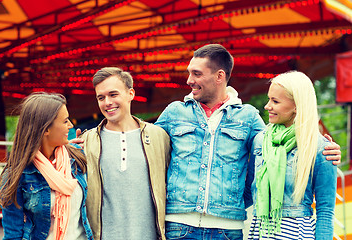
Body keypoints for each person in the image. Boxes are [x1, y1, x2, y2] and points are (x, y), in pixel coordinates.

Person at [154, 44, 341, 239]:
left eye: (196, 73)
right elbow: (146, 150)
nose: (189, 80)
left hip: (231, 230)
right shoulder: (175, 112)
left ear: (219, 76)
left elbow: (324, 208)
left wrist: (231, 204)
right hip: (181, 225)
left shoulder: (249, 118)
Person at [77, 67, 170, 239]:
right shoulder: (86, 141)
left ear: (131, 94)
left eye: (113, 95)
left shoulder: (159, 137)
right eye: (101, 97)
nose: (107, 102)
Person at [248, 71, 337, 239]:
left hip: (296, 233)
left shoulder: (320, 148)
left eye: (275, 101)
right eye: (269, 99)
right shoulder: (260, 140)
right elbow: (249, 190)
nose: (267, 106)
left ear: (297, 105)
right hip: (260, 231)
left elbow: (325, 211)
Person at [0, 92, 93, 240]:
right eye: (65, 121)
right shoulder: (17, 175)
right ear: (46, 129)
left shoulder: (77, 158)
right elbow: (12, 235)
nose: (71, 126)